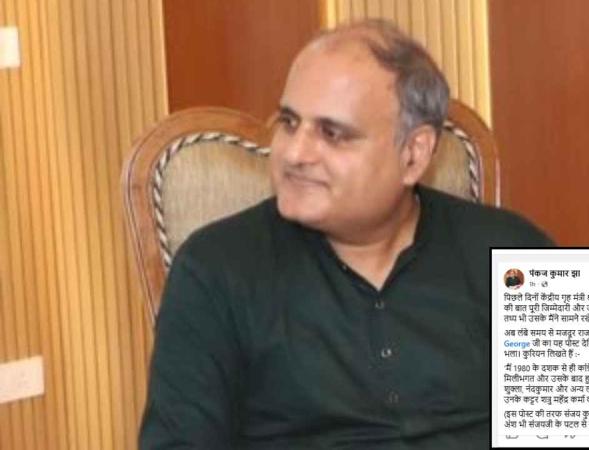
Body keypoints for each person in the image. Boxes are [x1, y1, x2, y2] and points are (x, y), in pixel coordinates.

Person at [139, 19, 553, 449]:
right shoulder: (215, 269)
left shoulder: (517, 252)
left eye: (332, 134)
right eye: (289, 122)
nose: (295, 153)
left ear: (414, 155)